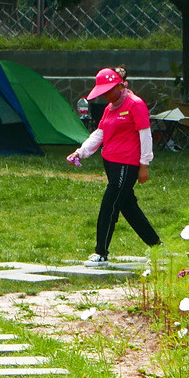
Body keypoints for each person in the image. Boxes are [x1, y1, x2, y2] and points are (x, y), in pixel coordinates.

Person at [67, 68, 160, 267]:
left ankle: (101, 253)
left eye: (109, 90)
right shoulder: (110, 108)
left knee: (109, 205)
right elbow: (100, 133)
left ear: (120, 86)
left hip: (127, 165)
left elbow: (145, 135)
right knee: (128, 207)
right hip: (111, 163)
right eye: (103, 92)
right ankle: (158, 247)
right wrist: (81, 151)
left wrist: (144, 165)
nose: (106, 96)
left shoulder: (135, 104)